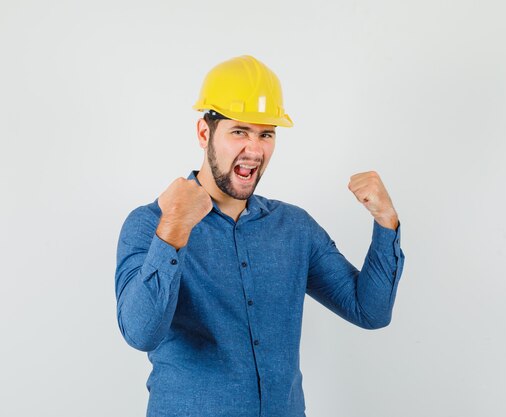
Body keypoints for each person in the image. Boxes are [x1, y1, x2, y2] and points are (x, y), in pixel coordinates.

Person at [115, 55, 405, 417]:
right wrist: (173, 230)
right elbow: (140, 333)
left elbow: (369, 311)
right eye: (239, 131)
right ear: (205, 133)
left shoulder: (295, 228)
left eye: (265, 134)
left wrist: (385, 222)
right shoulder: (149, 225)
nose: (254, 150)